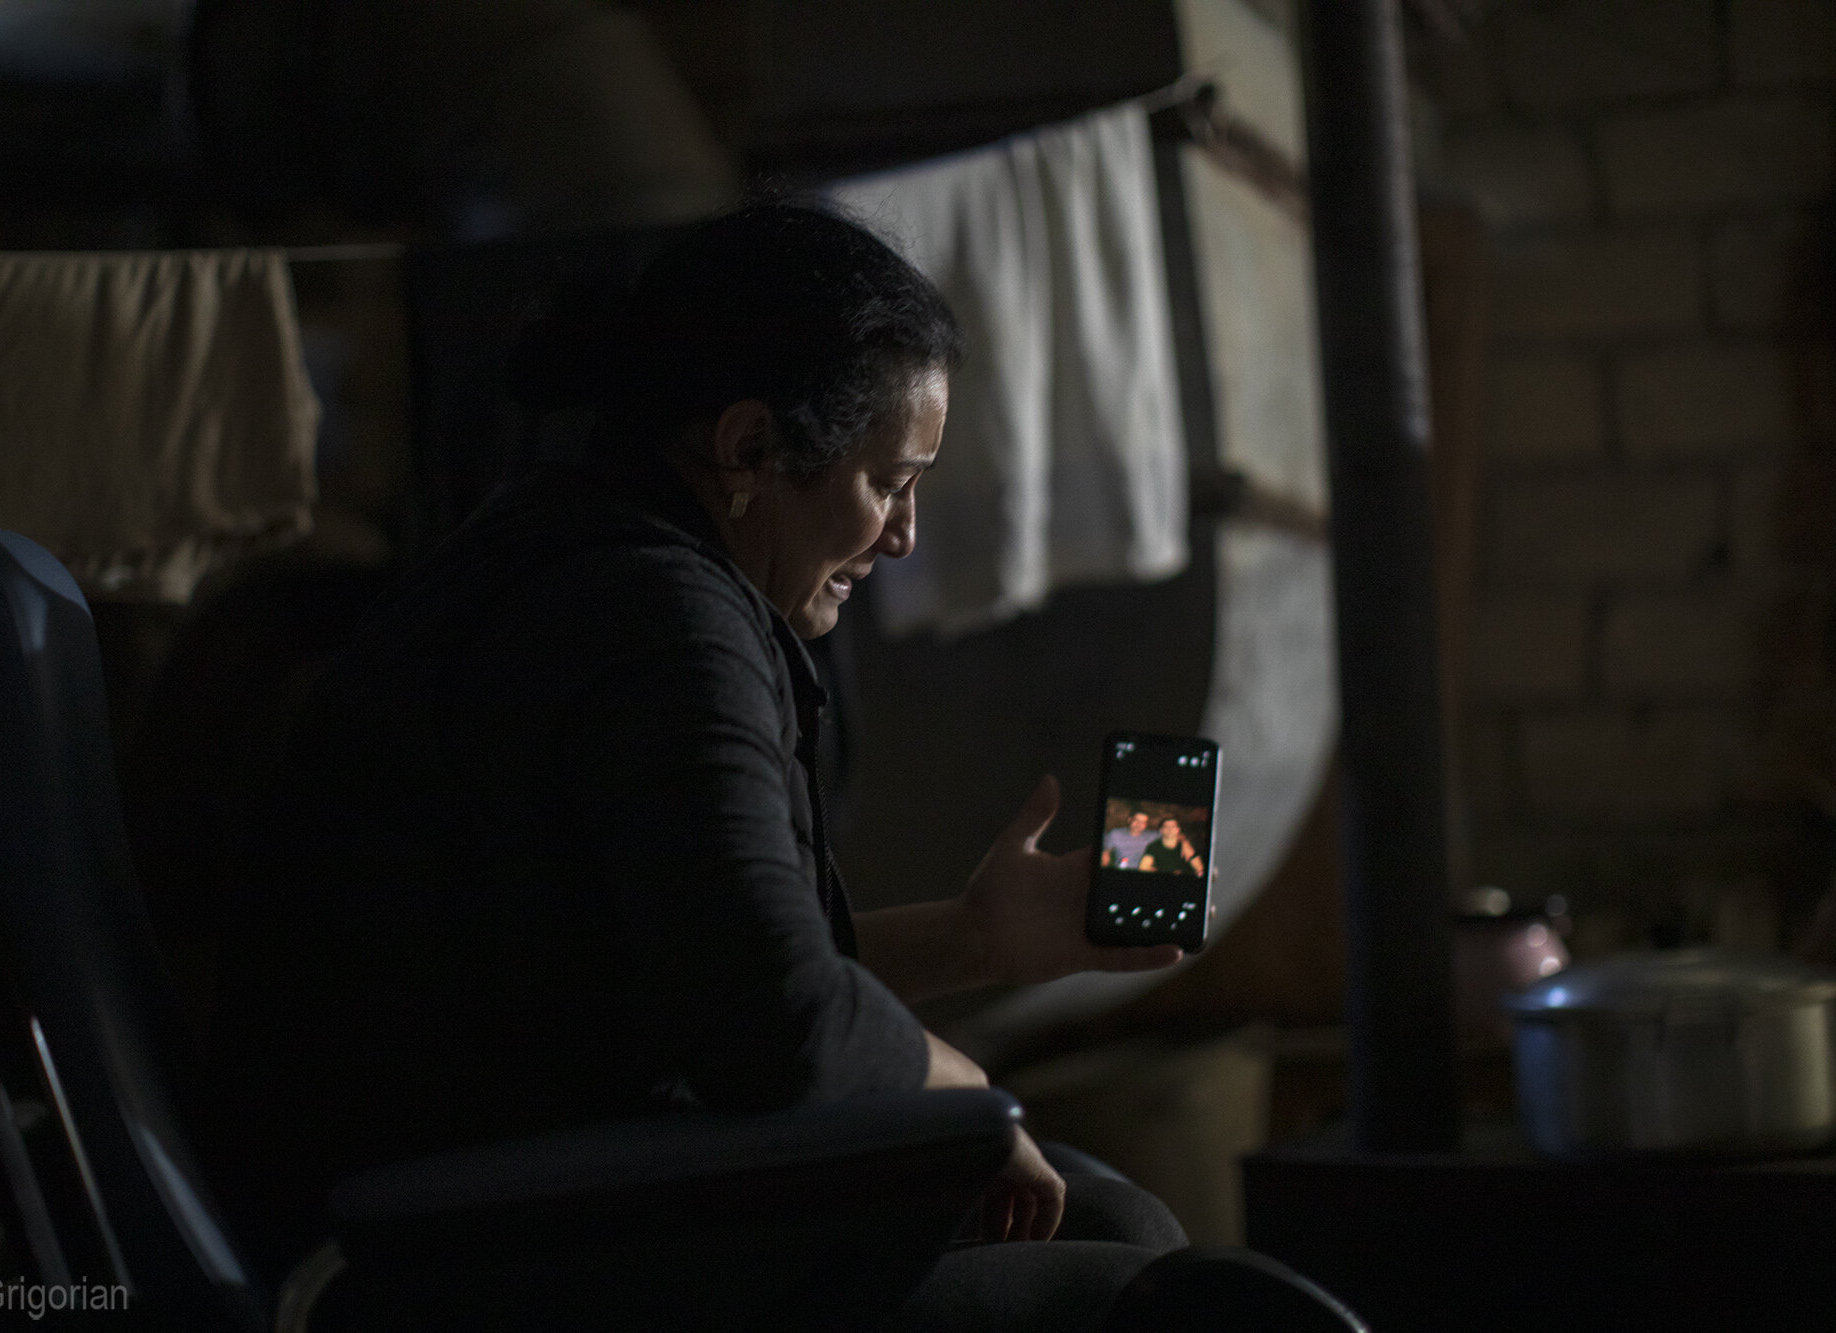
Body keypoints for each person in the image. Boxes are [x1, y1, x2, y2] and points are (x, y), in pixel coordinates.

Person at [209, 204, 1319, 1331]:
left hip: (524, 1179)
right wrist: (966, 1092)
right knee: (1139, 1289)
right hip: (470, 1246)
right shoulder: (655, 623)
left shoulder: (586, 555)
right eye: (889, 481)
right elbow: (772, 1022)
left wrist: (976, 937)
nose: (903, 537)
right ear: (748, 449)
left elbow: (704, 970)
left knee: (1113, 1222)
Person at [1139, 818, 1204, 876]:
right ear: (1161, 830)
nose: (1169, 829)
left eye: (1173, 826)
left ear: (1178, 830)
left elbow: (1199, 867)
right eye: (1166, 826)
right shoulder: (1154, 846)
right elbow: (1143, 867)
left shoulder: (1186, 846)